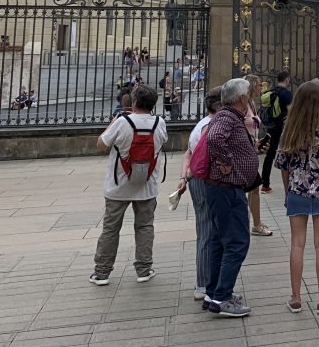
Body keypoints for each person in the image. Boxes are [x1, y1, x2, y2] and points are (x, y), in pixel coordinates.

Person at [90, 84, 167, 287]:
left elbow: (101, 144)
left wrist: (112, 123)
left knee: (110, 229)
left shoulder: (122, 122)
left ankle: (102, 273)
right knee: (144, 227)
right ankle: (143, 269)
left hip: (118, 186)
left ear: (134, 102)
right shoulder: (159, 123)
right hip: (147, 186)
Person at [274, 79, 319, 315]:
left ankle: (295, 298)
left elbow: (282, 164)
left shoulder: (290, 126)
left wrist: (287, 190)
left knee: (297, 243)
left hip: (297, 188)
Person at [203, 77, 260, 317]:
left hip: (224, 189)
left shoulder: (230, 117)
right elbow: (214, 138)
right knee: (237, 243)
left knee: (220, 242)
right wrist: (226, 162)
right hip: (226, 189)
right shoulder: (227, 117)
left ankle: (213, 293)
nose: (251, 97)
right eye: (249, 94)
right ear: (242, 98)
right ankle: (222, 298)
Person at [177, 88, 222, 302]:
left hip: (197, 179)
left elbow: (188, 152)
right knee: (206, 231)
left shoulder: (204, 123)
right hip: (204, 181)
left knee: (209, 229)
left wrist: (184, 177)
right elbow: (203, 157)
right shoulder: (209, 126)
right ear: (218, 106)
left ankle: (208, 280)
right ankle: (203, 283)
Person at [242, 74, 273, 237]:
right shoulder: (242, 105)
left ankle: (253, 222)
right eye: (259, 85)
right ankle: (255, 224)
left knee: (253, 189)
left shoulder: (251, 104)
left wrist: (257, 142)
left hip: (251, 149)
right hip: (245, 152)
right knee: (253, 188)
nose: (261, 88)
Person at [260, 70, 294, 194]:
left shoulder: (272, 91)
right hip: (282, 127)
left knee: (269, 155)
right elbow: (291, 111)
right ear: (286, 80)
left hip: (271, 127)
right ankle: (291, 182)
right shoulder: (287, 94)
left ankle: (265, 184)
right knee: (289, 153)